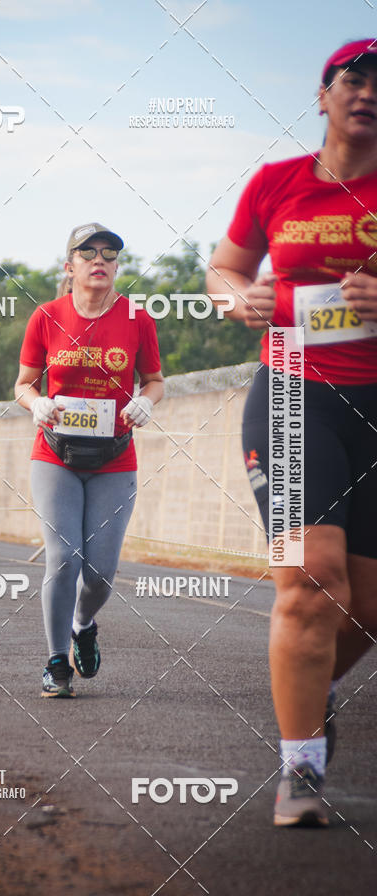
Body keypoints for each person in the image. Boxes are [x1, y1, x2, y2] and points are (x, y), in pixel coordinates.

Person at [207, 40, 377, 826]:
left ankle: (315, 691)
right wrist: (234, 298)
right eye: (355, 78)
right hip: (292, 396)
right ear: (323, 94)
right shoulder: (278, 183)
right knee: (309, 583)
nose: (368, 94)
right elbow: (224, 269)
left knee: (365, 607)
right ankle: (300, 770)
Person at [15, 223, 164, 697]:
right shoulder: (46, 316)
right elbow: (24, 383)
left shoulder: (137, 317)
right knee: (63, 559)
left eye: (109, 254)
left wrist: (147, 401)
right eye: (89, 253)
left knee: (99, 572)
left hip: (115, 458)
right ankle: (57, 661)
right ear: (70, 265)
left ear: (117, 266)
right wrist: (35, 403)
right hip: (55, 454)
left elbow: (156, 379)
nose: (100, 260)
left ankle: (83, 623)